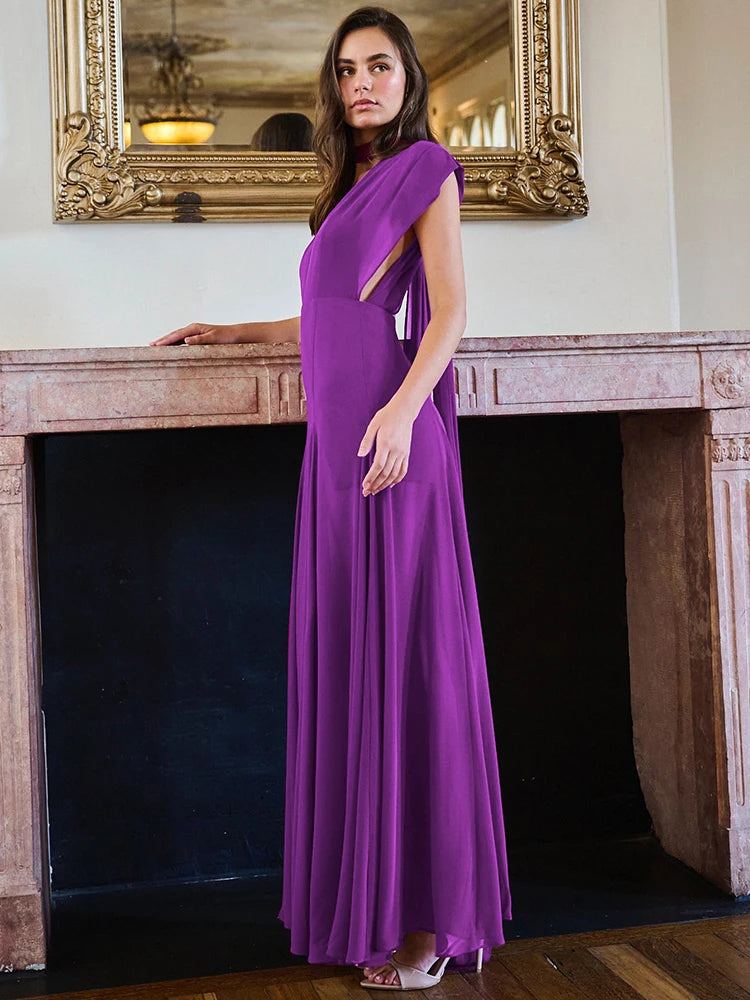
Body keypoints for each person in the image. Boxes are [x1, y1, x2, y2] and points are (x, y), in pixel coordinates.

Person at [149, 5, 512, 992]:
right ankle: (387, 909)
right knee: (363, 669)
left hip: (393, 450)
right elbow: (325, 319)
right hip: (338, 456)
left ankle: (431, 926)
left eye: (381, 66)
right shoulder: (343, 187)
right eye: (348, 68)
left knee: (412, 669)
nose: (362, 83)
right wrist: (226, 331)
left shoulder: (428, 167)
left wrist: (399, 417)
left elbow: (450, 311)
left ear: (410, 78)